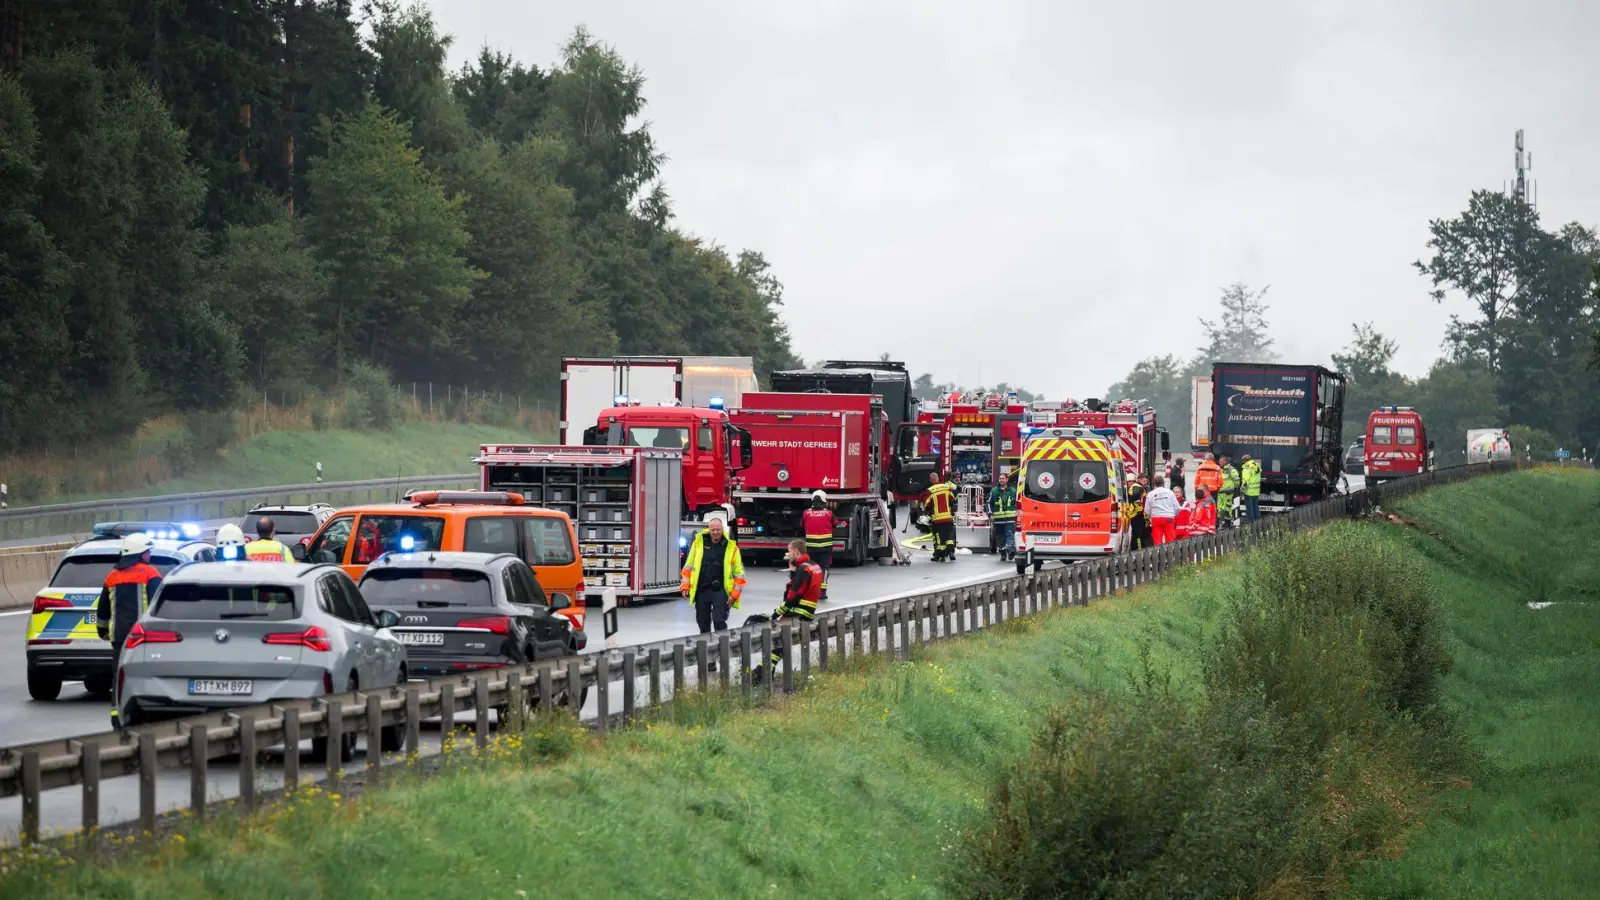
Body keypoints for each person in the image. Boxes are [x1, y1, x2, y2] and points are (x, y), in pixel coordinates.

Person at [96, 533, 164, 729]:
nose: (149, 555)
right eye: (147, 551)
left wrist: (103, 632)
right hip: (143, 637)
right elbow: (158, 605)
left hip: (119, 637)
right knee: (147, 674)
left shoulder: (112, 576)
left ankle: (117, 717)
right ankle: (147, 714)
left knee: (119, 676)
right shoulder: (151, 574)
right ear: (139, 554)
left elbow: (102, 611)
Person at [752, 539, 824, 685]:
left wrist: (775, 614)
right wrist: (792, 571)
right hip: (807, 611)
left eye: (789, 551)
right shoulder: (814, 566)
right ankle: (764, 670)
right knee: (781, 643)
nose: (787, 554)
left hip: (797, 611)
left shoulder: (803, 569)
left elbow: (793, 595)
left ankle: (762, 672)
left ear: (796, 552)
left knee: (777, 640)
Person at [680, 516, 746, 633]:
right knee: (702, 622)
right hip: (702, 589)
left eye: (718, 530)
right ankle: (705, 648)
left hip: (721, 590)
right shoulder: (698, 543)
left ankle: (722, 648)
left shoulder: (731, 547)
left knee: (719, 621)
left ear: (722, 529)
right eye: (713, 530)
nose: (715, 533)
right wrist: (685, 586)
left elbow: (739, 574)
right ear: (708, 529)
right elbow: (688, 567)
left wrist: (734, 595)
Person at [802, 490, 834, 600]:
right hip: (825, 548)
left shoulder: (806, 513)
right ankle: (822, 592)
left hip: (811, 547)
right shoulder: (829, 513)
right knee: (824, 568)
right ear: (824, 502)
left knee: (811, 568)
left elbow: (802, 524)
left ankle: (811, 590)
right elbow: (835, 523)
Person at [926, 472, 957, 561]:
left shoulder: (930, 490)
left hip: (937, 519)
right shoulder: (947, 488)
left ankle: (941, 555)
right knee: (949, 536)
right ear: (938, 478)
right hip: (948, 517)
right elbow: (952, 500)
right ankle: (951, 552)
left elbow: (927, 505)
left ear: (931, 480)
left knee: (939, 537)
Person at [987, 472, 1017, 562]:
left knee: (1009, 535)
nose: (1001, 480)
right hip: (998, 519)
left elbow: (1017, 502)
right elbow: (989, 503)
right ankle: (1003, 554)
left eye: (1003, 478)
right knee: (1000, 537)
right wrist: (990, 514)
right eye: (1000, 479)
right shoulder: (994, 491)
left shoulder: (1013, 491)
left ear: (1007, 480)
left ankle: (1011, 551)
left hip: (1010, 519)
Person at [1143, 475, 1179, 545]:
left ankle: (1159, 555)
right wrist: (1173, 514)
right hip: (1169, 518)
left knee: (1157, 541)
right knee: (1170, 540)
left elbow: (1146, 511)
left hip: (1156, 519)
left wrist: (1152, 516)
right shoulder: (1170, 492)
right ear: (1163, 483)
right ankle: (1170, 555)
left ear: (1154, 484)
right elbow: (1177, 507)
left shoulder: (1150, 494)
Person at [1218, 454, 1240, 527]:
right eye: (1219, 461)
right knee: (1218, 508)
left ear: (1226, 462)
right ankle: (1218, 523)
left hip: (1228, 493)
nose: (1219, 462)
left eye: (1221, 461)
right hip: (1220, 492)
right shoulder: (1220, 470)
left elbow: (1237, 481)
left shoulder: (1232, 470)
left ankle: (1227, 524)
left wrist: (1234, 488)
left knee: (1228, 508)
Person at [1240, 454, 1263, 521]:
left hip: (1249, 491)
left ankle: (1251, 522)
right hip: (1256, 490)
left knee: (1249, 507)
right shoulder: (1257, 465)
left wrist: (1241, 490)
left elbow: (1246, 481)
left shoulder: (1247, 468)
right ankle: (1257, 520)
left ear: (1244, 461)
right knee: (1255, 506)